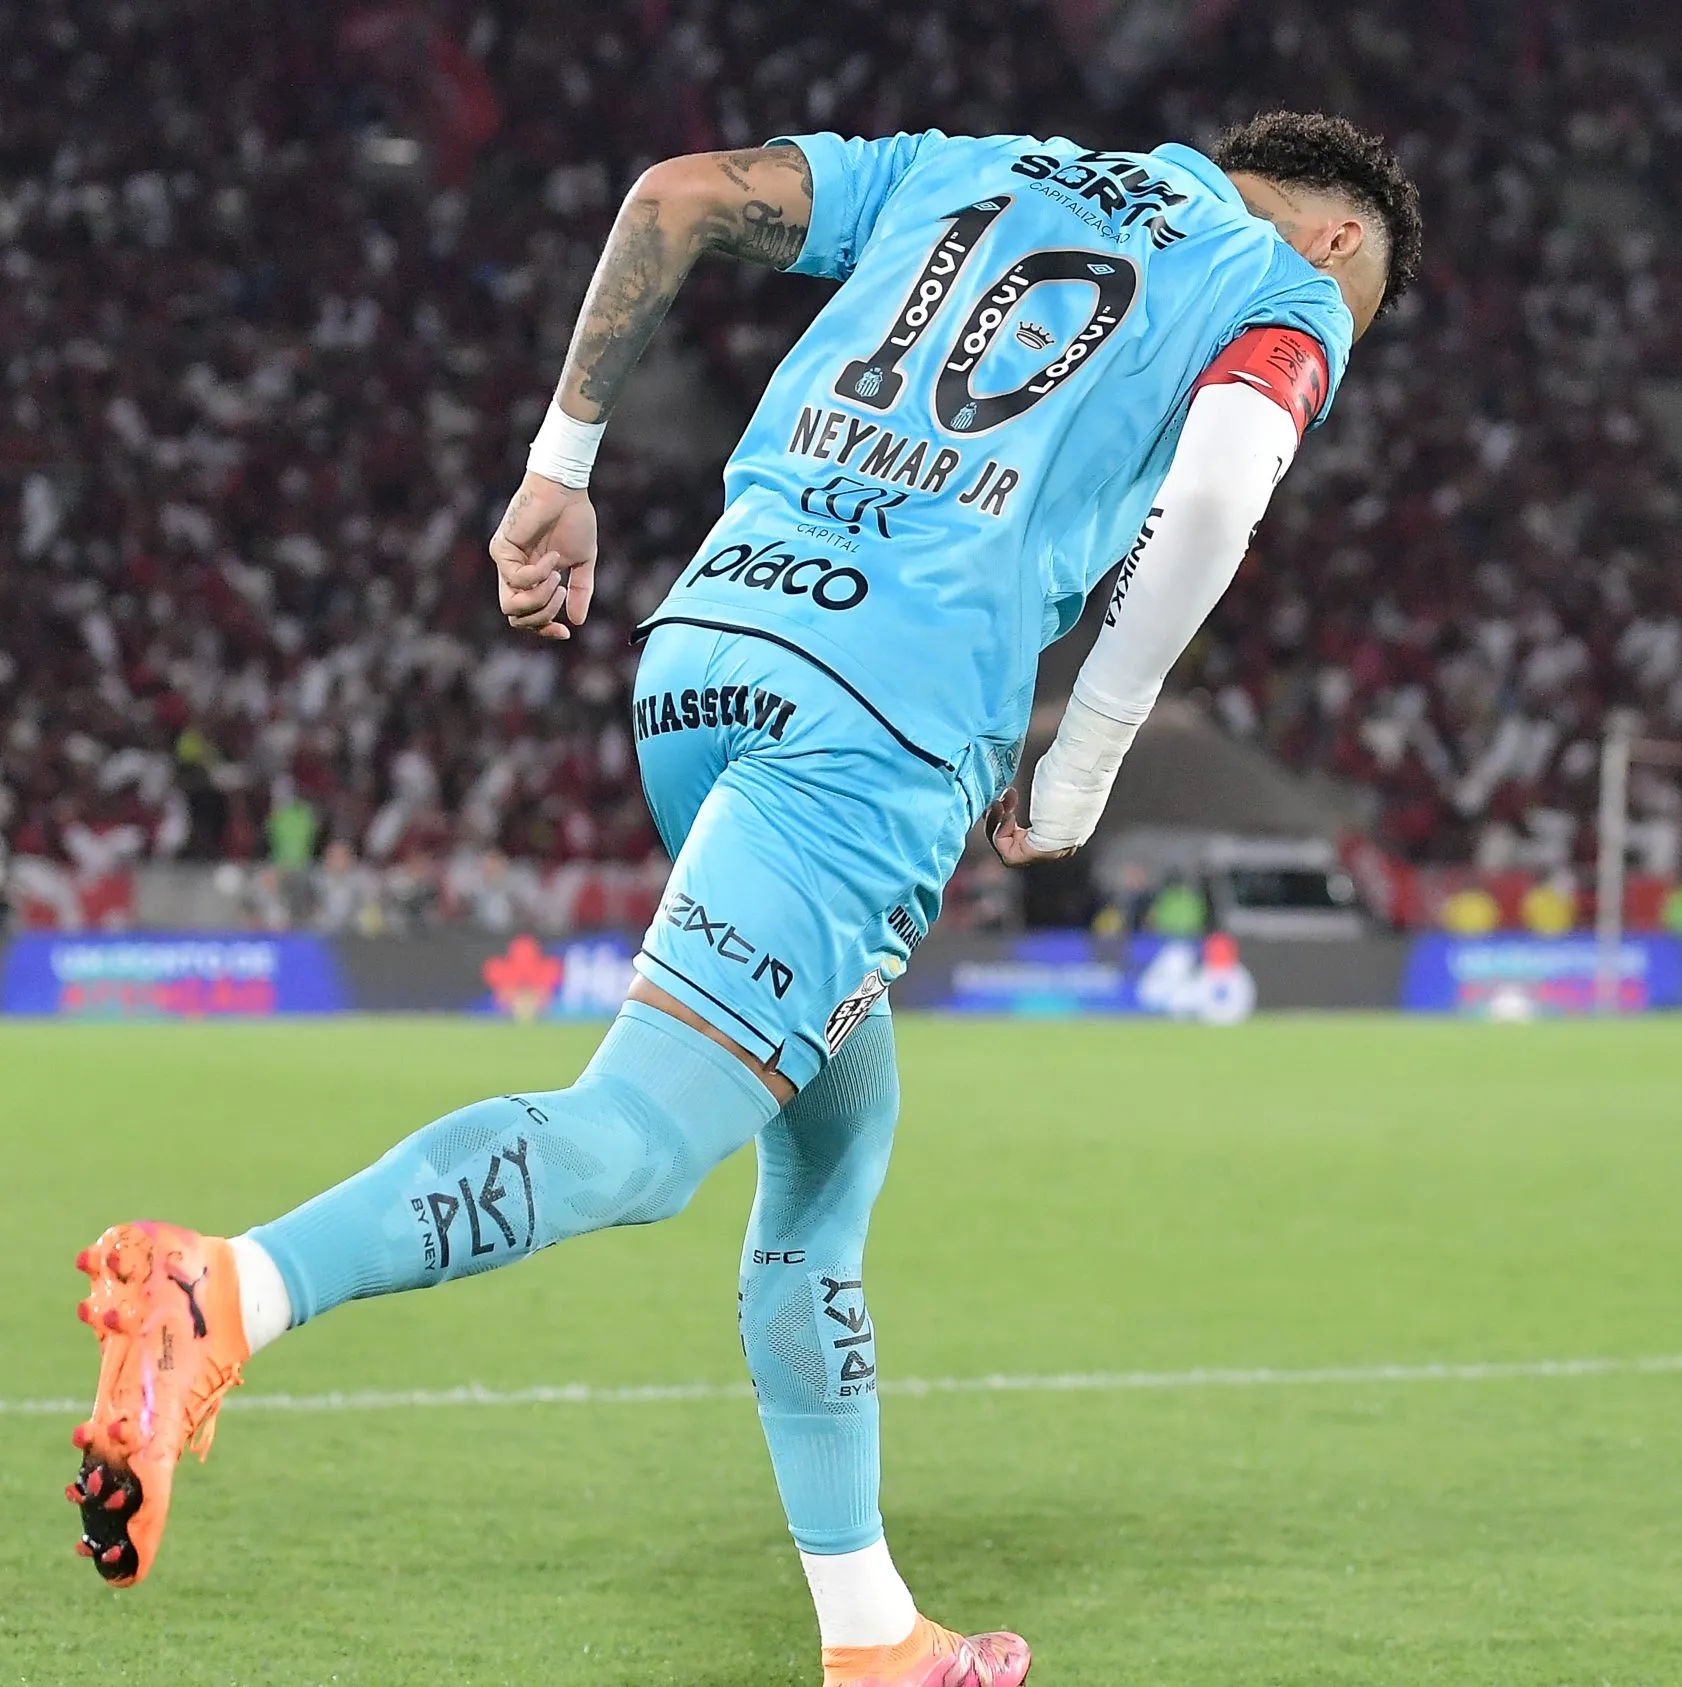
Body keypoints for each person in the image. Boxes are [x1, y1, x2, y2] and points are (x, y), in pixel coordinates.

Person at [63, 112, 1420, 1687]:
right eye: (1360, 320)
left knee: (832, 1164)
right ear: (1336, 244)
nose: (1345, 341)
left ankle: (875, 1638)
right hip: (887, 716)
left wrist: (558, 468)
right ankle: (225, 1287)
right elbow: (1215, 499)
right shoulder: (1286, 279)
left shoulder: (963, 166)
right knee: (637, 1142)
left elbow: (677, 195)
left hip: (709, 655)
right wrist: (1088, 757)